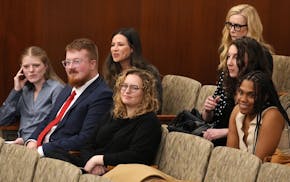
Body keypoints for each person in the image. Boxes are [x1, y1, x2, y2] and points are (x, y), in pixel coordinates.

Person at [55, 68, 161, 175]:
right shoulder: (113, 114)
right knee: (52, 153)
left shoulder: (149, 121)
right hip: (92, 165)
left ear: (146, 93)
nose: (127, 91)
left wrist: (101, 160)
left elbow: (139, 156)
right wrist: (91, 162)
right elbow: (87, 144)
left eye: (134, 88)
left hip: (116, 171)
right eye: (124, 86)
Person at [25, 38, 113, 158]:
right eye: (67, 62)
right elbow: (50, 119)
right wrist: (32, 140)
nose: (70, 67)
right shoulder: (68, 88)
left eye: (76, 62)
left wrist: (42, 150)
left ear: (92, 64)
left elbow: (86, 138)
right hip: (42, 151)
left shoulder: (102, 95)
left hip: (63, 158)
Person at [202, 36, 271, 146]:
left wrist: (225, 132)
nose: (229, 62)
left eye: (236, 57)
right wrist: (208, 110)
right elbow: (208, 119)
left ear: (251, 60)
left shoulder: (260, 87)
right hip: (213, 140)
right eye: (228, 57)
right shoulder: (227, 80)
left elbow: (257, 130)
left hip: (242, 147)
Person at [0, 46, 64, 145]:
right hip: (22, 145)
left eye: (36, 65)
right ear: (21, 69)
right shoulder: (24, 91)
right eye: (26, 67)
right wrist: (16, 91)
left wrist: (26, 139)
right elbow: (2, 120)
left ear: (46, 66)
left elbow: (57, 124)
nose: (31, 70)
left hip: (43, 146)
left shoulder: (56, 88)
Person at [227, 71, 290, 160]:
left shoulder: (272, 116)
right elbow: (230, 155)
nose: (243, 99)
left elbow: (258, 162)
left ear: (265, 97)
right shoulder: (237, 111)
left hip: (273, 171)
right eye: (241, 92)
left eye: (251, 95)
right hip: (244, 169)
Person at [102, 28, 163, 111]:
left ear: (132, 48)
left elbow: (155, 105)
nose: (115, 49)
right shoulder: (111, 71)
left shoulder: (148, 73)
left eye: (120, 45)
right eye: (113, 45)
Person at [218, 4, 274, 73]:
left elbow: (261, 82)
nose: (232, 30)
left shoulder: (263, 55)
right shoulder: (228, 48)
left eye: (237, 26)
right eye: (230, 25)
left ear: (250, 28)